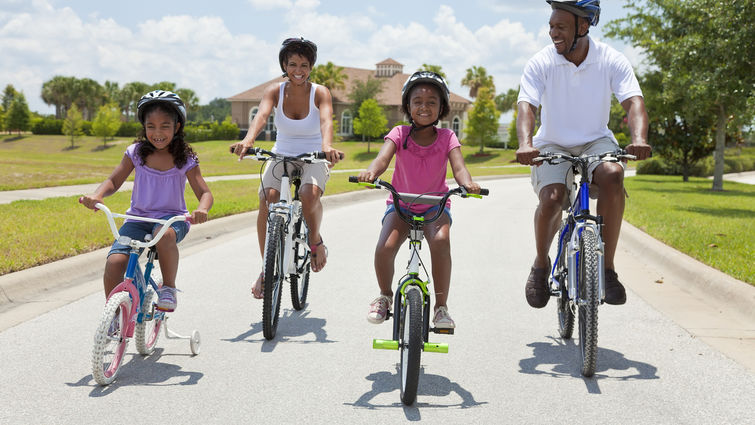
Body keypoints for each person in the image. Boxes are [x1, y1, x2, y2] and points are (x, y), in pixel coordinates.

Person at [515, 0, 652, 308]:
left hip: (596, 141)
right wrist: (526, 143)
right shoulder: (541, 62)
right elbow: (527, 107)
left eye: (560, 27)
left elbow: (634, 103)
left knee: (613, 175)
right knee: (551, 198)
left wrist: (639, 138)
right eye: (551, 26)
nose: (553, 33)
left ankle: (607, 269)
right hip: (552, 143)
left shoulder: (611, 59)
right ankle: (540, 265)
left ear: (583, 26)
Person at [357, 71, 481, 329]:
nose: (424, 107)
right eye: (418, 101)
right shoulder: (399, 134)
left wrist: (467, 184)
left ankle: (441, 308)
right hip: (401, 205)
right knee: (385, 247)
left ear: (442, 108)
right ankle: (385, 296)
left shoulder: (447, 137)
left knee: (441, 241)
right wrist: (371, 172)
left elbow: (459, 168)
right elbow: (382, 159)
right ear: (408, 106)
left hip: (435, 208)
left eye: (431, 101)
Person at [80, 90, 214, 312]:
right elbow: (114, 180)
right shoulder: (136, 152)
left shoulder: (186, 158)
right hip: (137, 219)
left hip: (172, 221)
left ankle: (169, 288)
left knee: (164, 234)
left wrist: (202, 209)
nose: (157, 132)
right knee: (115, 263)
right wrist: (98, 195)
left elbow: (205, 193)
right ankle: (113, 315)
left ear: (177, 127)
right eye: (151, 126)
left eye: (164, 126)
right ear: (144, 127)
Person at [231, 37, 343, 299]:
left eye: (304, 64)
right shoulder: (274, 91)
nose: (298, 70)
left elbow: (326, 120)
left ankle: (314, 240)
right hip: (282, 153)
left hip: (314, 154)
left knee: (308, 194)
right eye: (293, 64)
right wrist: (248, 141)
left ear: (311, 66)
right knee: (267, 200)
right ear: (284, 64)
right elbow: (261, 116)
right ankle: (266, 269)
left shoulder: (320, 92)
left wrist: (327, 147)